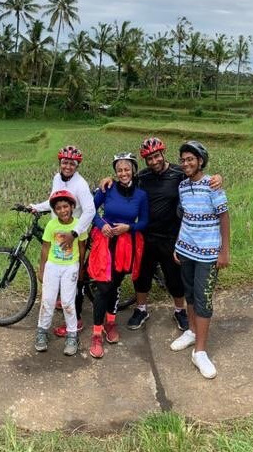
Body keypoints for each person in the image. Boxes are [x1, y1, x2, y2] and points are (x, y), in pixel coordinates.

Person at [100, 137, 222, 333]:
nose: (154, 161)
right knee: (142, 275)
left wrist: (217, 178)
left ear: (163, 154)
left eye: (156, 156)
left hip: (172, 236)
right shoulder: (142, 177)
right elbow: (125, 180)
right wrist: (109, 180)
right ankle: (141, 309)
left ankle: (179, 310)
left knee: (174, 276)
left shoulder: (178, 173)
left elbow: (197, 176)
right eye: (149, 158)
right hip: (146, 234)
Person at [169, 141, 230, 379]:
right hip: (186, 250)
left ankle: (200, 352)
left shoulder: (213, 185)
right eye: (183, 160)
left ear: (201, 161)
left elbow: (224, 218)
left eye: (190, 159)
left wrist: (224, 251)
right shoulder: (183, 187)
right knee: (190, 294)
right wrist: (178, 245)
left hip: (208, 253)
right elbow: (185, 218)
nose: (186, 163)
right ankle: (192, 332)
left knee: (203, 300)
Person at [86, 152, 149, 359]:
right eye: (119, 170)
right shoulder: (107, 188)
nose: (123, 173)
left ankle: (110, 322)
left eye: (126, 169)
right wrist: (102, 225)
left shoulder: (141, 196)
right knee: (103, 287)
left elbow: (144, 223)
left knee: (115, 284)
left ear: (133, 170)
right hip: (105, 242)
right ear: (115, 172)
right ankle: (96, 333)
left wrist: (128, 228)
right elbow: (91, 211)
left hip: (125, 245)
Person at [28, 145, 95, 334]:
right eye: (64, 162)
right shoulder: (57, 178)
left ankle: (78, 319)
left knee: (76, 271)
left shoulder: (80, 185)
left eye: (72, 164)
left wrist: (74, 233)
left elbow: (90, 210)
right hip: (57, 230)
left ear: (77, 166)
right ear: (60, 163)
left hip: (75, 233)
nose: (67, 166)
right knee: (57, 264)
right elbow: (53, 201)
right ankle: (63, 297)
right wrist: (35, 207)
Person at [34, 190, 81, 355]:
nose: (63, 210)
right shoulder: (52, 225)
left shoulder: (79, 225)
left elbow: (82, 248)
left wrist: (80, 268)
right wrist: (42, 270)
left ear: (72, 206)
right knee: (48, 301)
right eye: (59, 208)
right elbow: (45, 248)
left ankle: (72, 334)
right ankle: (42, 331)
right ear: (55, 210)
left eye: (66, 206)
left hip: (71, 266)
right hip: (53, 266)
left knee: (68, 302)